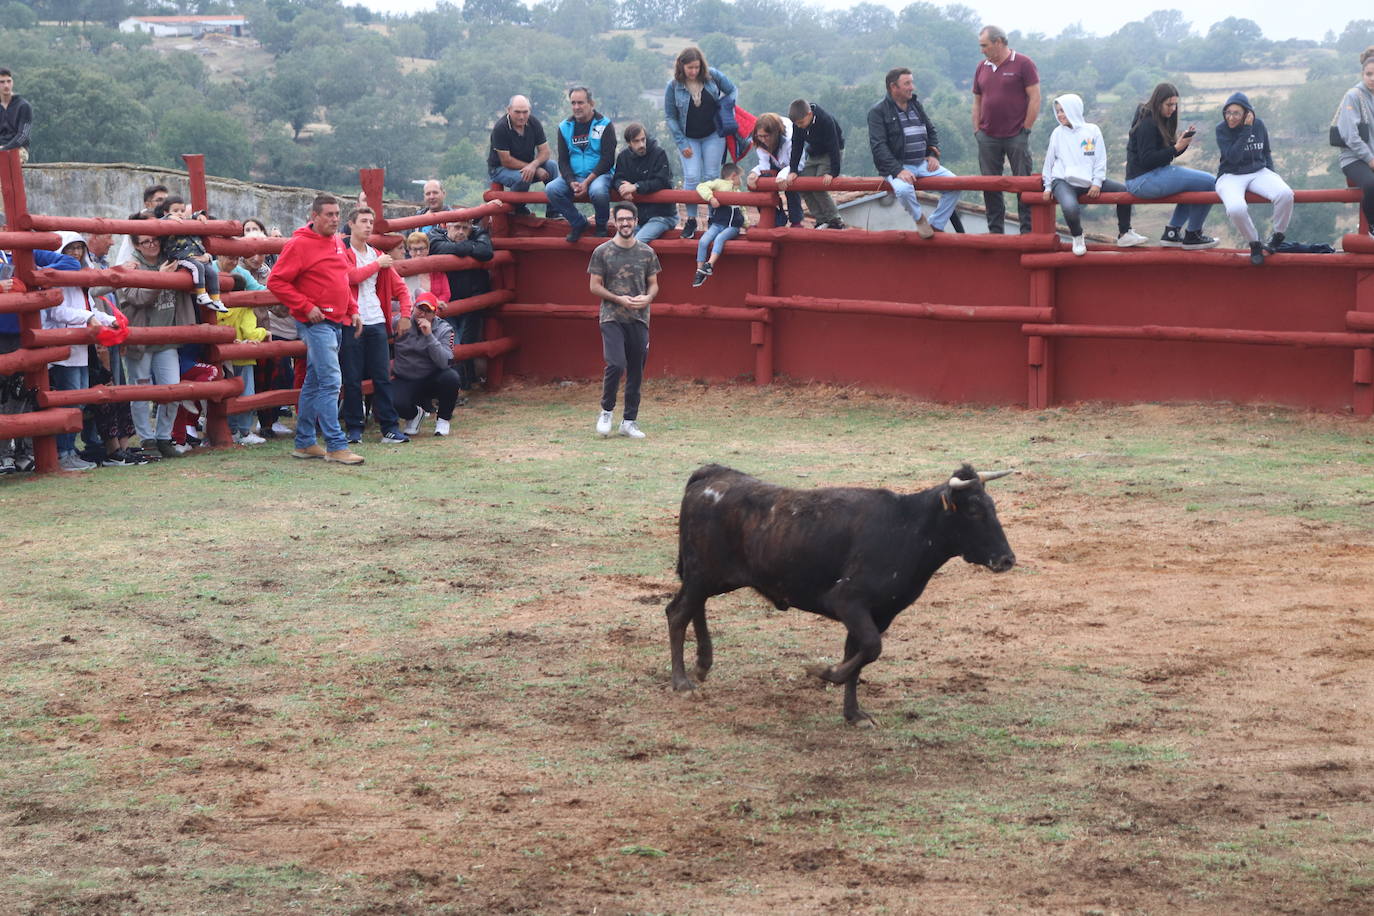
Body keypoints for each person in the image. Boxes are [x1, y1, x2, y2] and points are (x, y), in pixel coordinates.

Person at [266, 194, 365, 465]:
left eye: (337, 214)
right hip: (316, 323)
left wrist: (353, 308)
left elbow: (341, 279)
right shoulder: (299, 244)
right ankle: (335, 444)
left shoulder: (335, 241)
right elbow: (276, 281)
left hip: (336, 321)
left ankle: (305, 442)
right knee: (332, 381)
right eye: (329, 215)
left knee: (314, 382)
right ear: (314, 216)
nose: (335, 219)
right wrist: (305, 306)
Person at [43, 233, 119, 470]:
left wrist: (109, 320)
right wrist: (90, 318)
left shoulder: (82, 278)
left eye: (79, 248)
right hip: (63, 349)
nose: (75, 253)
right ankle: (63, 452)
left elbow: (90, 308)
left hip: (81, 348)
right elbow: (58, 312)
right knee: (69, 402)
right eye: (70, 249)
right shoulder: (57, 277)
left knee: (80, 402)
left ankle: (69, 450)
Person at [589, 201, 660, 439]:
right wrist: (619, 299)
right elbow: (594, 286)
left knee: (636, 371)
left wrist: (648, 298)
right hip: (611, 317)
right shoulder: (602, 252)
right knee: (616, 364)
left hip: (639, 318)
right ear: (615, 222)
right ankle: (606, 411)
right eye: (621, 219)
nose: (625, 223)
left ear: (636, 221)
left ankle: (629, 421)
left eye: (629, 219)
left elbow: (654, 284)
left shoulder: (647, 252)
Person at [1040, 94, 1144, 256]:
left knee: (1123, 192)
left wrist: (1096, 182)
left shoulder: (1092, 130)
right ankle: (1077, 236)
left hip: (1089, 180)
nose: (1059, 114)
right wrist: (1047, 187)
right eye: (1058, 111)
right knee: (1070, 207)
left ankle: (1125, 233)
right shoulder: (1057, 133)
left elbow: (1100, 159)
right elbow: (1049, 162)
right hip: (1063, 181)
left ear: (1074, 110)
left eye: (1063, 110)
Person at [342, 207, 410, 444]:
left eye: (371, 221)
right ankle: (354, 429)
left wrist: (406, 315)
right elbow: (350, 277)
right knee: (351, 378)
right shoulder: (343, 252)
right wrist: (377, 264)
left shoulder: (378, 254)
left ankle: (389, 428)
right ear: (351, 224)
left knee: (382, 376)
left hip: (377, 321)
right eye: (363, 221)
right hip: (351, 321)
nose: (368, 226)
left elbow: (401, 288)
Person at [868, 67, 960, 239]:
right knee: (903, 191)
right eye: (907, 83)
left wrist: (933, 155)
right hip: (898, 167)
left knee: (955, 184)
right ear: (893, 87)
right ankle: (919, 219)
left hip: (922, 163)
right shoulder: (878, 112)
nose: (912, 87)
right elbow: (878, 146)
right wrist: (897, 171)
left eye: (912, 82)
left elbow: (931, 131)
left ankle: (936, 224)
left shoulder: (916, 105)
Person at [1125, 82, 1218, 250]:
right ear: (1158, 102)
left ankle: (1172, 233)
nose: (1173, 108)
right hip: (1142, 180)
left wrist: (1182, 144)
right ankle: (1193, 235)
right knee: (1210, 183)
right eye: (1169, 104)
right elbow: (1147, 160)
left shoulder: (1160, 120)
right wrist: (1176, 148)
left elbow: (1165, 157)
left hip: (1151, 176)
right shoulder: (1147, 123)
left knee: (1197, 184)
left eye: (1175, 104)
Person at [664, 47, 739, 239]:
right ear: (682, 66)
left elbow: (732, 90)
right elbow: (671, 117)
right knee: (691, 176)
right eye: (690, 68)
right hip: (688, 137)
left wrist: (724, 107)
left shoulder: (712, 76)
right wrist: (681, 143)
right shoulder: (673, 87)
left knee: (712, 175)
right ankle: (691, 219)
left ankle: (715, 217)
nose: (694, 71)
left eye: (697, 67)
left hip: (713, 133)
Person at [972, 26, 1040, 234]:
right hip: (988, 136)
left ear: (999, 42)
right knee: (990, 186)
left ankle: (1027, 232)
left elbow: (1035, 98)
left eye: (985, 45)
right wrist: (978, 131)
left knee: (1023, 184)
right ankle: (995, 232)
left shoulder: (1023, 63)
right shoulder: (981, 67)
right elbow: (977, 101)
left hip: (1016, 135)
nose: (982, 50)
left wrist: (1025, 129)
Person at [1215, 92, 1293, 266]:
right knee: (1236, 209)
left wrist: (1273, 174)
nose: (1231, 117)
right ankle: (1254, 243)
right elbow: (1233, 157)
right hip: (1230, 175)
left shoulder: (1259, 125)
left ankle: (1277, 236)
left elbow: (1266, 152)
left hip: (1258, 171)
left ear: (1246, 113)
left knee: (1285, 194)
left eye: (1236, 113)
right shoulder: (1221, 129)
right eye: (1228, 112)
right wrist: (1246, 130)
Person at [428, 217, 493, 391]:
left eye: (465, 228)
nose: (461, 232)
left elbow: (486, 251)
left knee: (465, 343)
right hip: (445, 303)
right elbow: (437, 247)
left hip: (471, 301)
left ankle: (464, 384)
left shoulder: (478, 232)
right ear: (446, 226)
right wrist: (469, 248)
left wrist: (459, 249)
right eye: (456, 227)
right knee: (450, 343)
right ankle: (457, 386)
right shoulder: (435, 235)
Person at [547, 87, 616, 243]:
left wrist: (587, 181)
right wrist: (571, 181)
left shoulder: (604, 124)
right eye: (573, 103)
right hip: (574, 175)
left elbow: (608, 159)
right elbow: (563, 160)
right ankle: (578, 222)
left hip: (599, 174)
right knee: (551, 189)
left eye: (580, 103)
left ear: (591, 103)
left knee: (598, 191)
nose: (576, 107)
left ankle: (601, 226)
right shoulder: (565, 127)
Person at [393, 292, 463, 438]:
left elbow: (445, 362)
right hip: (405, 377)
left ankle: (443, 419)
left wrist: (429, 336)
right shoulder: (400, 321)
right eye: (420, 309)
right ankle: (415, 415)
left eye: (428, 311)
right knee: (393, 401)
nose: (422, 314)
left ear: (434, 313)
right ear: (413, 308)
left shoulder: (445, 329)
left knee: (451, 378)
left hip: (432, 376)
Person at [487, 94, 558, 215]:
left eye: (525, 112)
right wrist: (534, 169)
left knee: (551, 166)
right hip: (500, 169)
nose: (521, 116)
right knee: (523, 177)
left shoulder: (533, 123)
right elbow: (506, 161)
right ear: (508, 110)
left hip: (527, 165)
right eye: (517, 112)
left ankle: (555, 211)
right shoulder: (501, 128)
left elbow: (545, 151)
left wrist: (534, 165)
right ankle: (517, 209)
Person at [154, 196, 227, 312]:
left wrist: (199, 215)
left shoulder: (187, 222)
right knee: (197, 267)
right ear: (166, 212)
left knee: (212, 272)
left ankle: (216, 299)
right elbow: (159, 222)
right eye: (175, 211)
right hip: (180, 257)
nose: (179, 214)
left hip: (196, 255)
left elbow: (193, 216)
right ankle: (201, 294)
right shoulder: (166, 223)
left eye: (182, 211)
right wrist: (169, 217)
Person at [785, 98, 845, 229]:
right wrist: (793, 170)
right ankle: (821, 219)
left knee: (818, 184)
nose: (799, 126)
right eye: (797, 124)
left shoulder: (825, 120)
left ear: (809, 114)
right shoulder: (798, 124)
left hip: (830, 153)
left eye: (801, 123)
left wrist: (833, 172)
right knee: (804, 185)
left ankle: (834, 219)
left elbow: (834, 146)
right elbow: (797, 146)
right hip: (814, 153)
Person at [1334, 46, 1374, 239]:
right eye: (1369, 74)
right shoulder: (1354, 96)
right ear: (1362, 74)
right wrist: (1370, 159)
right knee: (1372, 185)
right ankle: (1373, 227)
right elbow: (1350, 136)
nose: (1372, 78)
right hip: (1354, 158)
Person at [614, 122, 676, 243]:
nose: (641, 144)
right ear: (629, 143)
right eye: (636, 141)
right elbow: (617, 178)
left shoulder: (659, 153)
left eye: (643, 139)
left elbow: (661, 181)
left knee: (636, 243)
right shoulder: (623, 157)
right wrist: (623, 189)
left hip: (662, 215)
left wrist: (636, 187)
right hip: (638, 217)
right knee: (618, 244)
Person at [693, 162, 748, 287]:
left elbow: (742, 210)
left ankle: (710, 264)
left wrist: (747, 225)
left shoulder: (738, 193)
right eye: (740, 176)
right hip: (718, 223)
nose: (741, 179)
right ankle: (699, 270)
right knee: (703, 241)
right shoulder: (718, 184)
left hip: (732, 226)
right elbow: (701, 186)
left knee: (720, 238)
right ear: (733, 176)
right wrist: (711, 198)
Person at [747, 113, 803, 227]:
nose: (763, 140)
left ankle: (796, 221)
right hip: (776, 165)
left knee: (791, 185)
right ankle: (776, 218)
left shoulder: (791, 139)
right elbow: (764, 165)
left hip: (795, 165)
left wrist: (783, 175)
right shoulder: (759, 141)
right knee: (761, 183)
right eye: (760, 136)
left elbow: (798, 164)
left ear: (775, 134)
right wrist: (754, 173)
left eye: (766, 136)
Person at [399, 230, 450, 311]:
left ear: (428, 249)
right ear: (409, 251)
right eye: (415, 249)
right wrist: (434, 302)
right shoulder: (404, 271)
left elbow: (446, 293)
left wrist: (437, 304)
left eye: (421, 249)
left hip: (437, 312)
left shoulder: (437, 270)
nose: (418, 253)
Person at [0, 68, 33, 164]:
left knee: (6, 161)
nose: (6, 85)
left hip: (18, 149)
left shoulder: (23, 106)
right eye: (2, 82)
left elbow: (23, 135)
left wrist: (5, 148)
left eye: (9, 81)